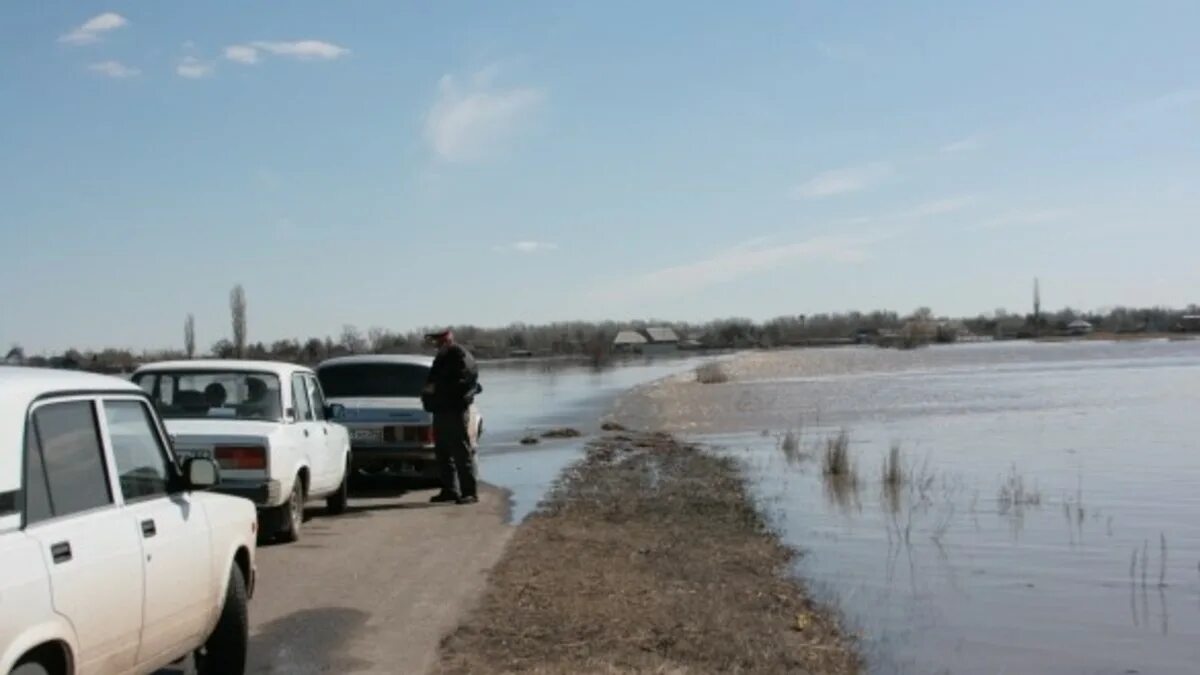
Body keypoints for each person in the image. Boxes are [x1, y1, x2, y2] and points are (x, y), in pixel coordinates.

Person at [421, 329, 481, 505]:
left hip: (454, 409)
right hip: (441, 409)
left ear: (446, 341)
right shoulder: (443, 357)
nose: (436, 347)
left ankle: (469, 492)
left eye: (438, 343)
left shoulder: (458, 355)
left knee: (460, 451)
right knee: (443, 451)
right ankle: (450, 490)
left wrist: (437, 390)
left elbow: (462, 382)